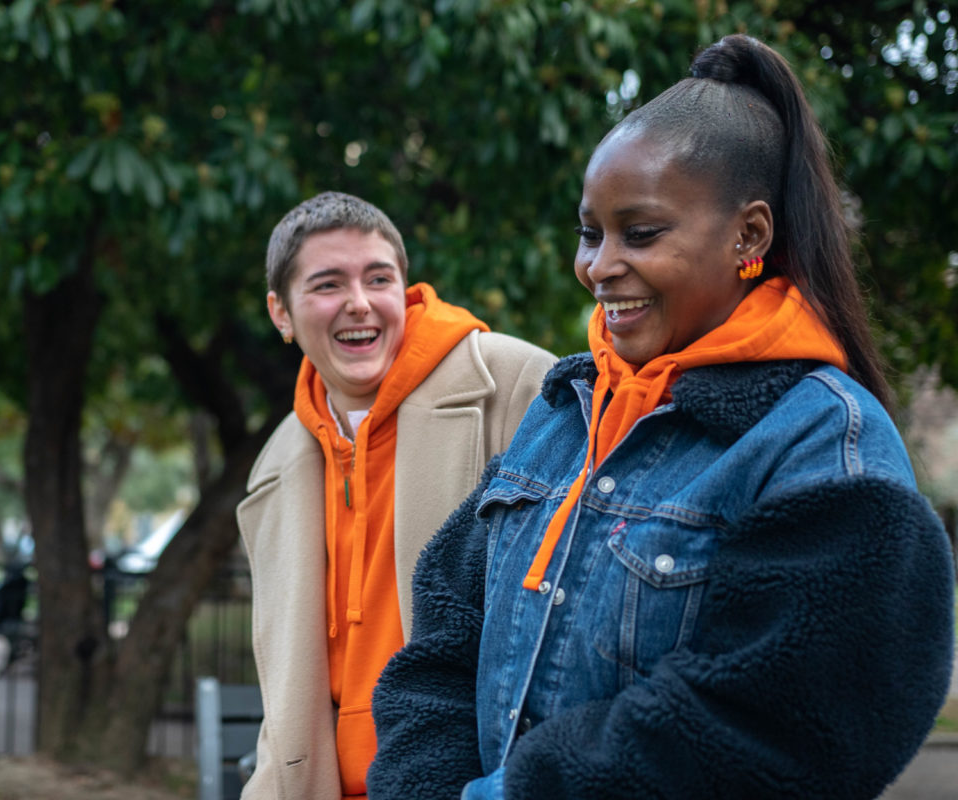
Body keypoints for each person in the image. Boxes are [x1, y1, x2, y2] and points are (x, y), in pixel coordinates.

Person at [368, 35, 955, 799]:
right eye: (590, 232)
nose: (599, 266)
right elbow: (445, 645)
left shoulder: (824, 443)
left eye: (640, 234)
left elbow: (775, 725)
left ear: (749, 235)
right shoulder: (565, 412)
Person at [236, 191, 556, 799]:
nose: (359, 304)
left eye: (378, 278)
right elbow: (287, 697)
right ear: (281, 313)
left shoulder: (518, 384)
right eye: (328, 284)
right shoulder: (276, 463)